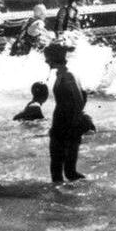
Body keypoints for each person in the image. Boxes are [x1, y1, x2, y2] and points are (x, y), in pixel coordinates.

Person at [46, 42, 90, 184]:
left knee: (64, 170)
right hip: (62, 123)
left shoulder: (68, 75)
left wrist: (74, 124)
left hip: (67, 125)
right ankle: (65, 198)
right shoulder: (62, 74)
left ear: (53, 58)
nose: (45, 61)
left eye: (47, 58)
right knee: (63, 170)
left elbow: (79, 99)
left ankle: (60, 200)